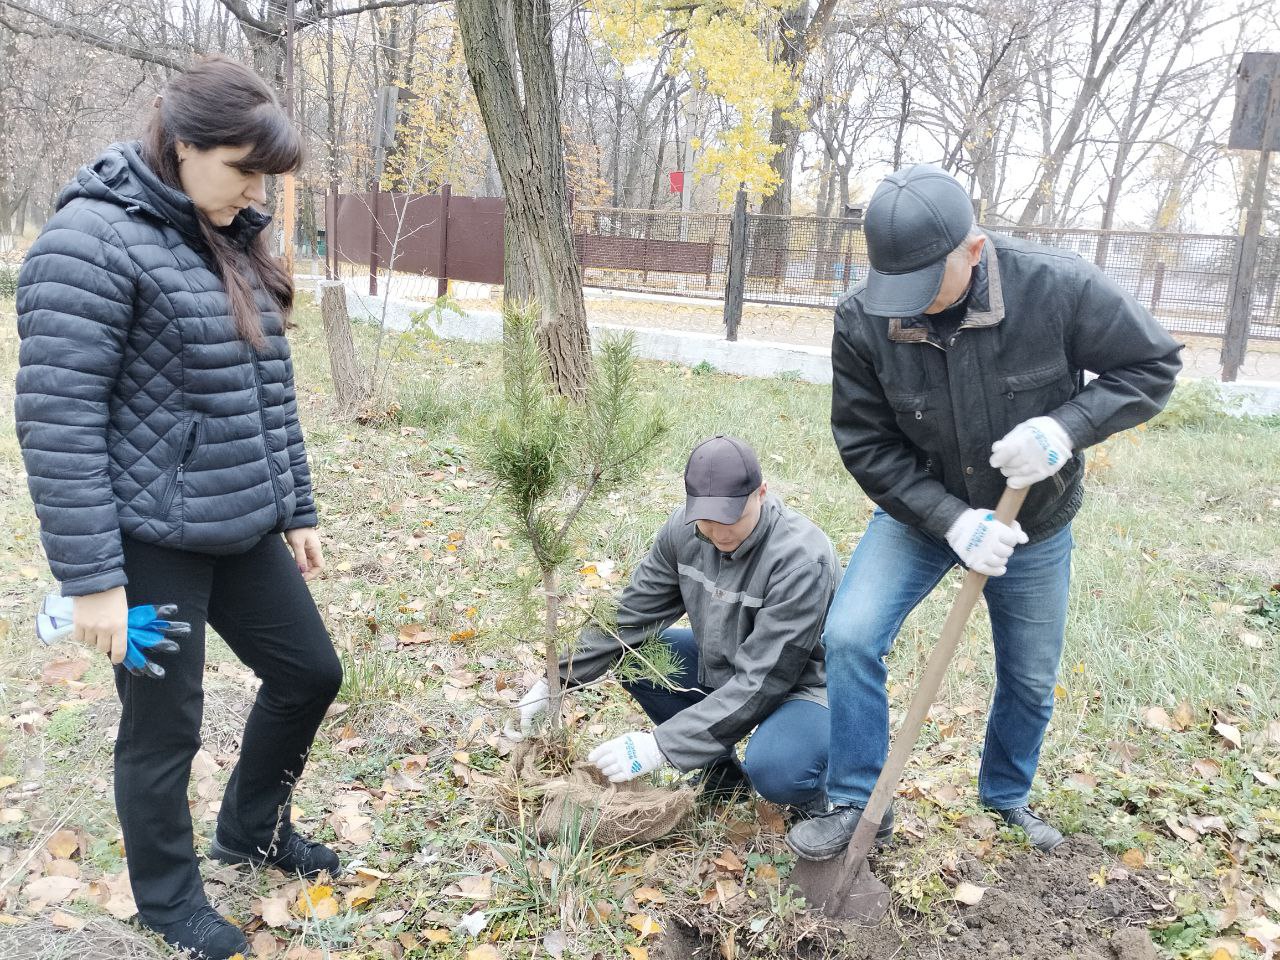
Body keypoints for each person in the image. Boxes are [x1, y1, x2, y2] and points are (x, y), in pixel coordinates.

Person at [15, 56, 341, 960]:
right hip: (147, 537)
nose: (254, 190)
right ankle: (167, 899)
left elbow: (266, 385)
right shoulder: (90, 242)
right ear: (185, 143)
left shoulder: (219, 226)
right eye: (243, 168)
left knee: (311, 672)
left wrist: (294, 506)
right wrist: (92, 581)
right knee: (166, 727)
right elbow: (58, 421)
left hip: (236, 518)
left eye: (264, 177)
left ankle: (252, 830)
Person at [787, 164, 1181, 861]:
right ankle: (854, 800)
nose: (906, 306)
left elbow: (1151, 367)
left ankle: (1004, 799)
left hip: (1032, 523)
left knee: (1029, 675)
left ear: (974, 250)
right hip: (923, 516)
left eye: (923, 284)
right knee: (849, 635)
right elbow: (867, 443)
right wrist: (952, 521)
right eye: (893, 288)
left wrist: (1066, 429)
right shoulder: (864, 320)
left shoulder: (1055, 287)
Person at [518, 435, 838, 815]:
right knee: (637, 656)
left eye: (731, 518)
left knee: (777, 768)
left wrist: (662, 746)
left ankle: (832, 801)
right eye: (706, 520)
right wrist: (556, 678)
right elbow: (629, 615)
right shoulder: (684, 534)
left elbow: (765, 680)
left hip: (804, 687)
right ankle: (721, 775)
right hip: (731, 667)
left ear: (761, 493)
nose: (719, 533)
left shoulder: (801, 560)